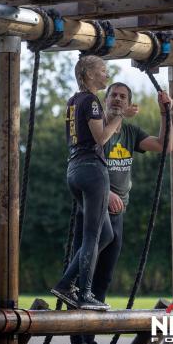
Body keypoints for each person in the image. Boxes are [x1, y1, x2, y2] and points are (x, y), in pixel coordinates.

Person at [65, 82, 173, 344]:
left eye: (123, 96)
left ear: (128, 103)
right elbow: (87, 161)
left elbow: (165, 146)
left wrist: (164, 113)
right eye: (113, 94)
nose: (117, 99)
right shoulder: (99, 127)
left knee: (103, 279)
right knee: (82, 276)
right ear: (105, 98)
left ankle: (89, 343)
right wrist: (107, 192)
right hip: (93, 207)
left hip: (118, 214)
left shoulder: (129, 132)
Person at [51, 57, 125, 311]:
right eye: (103, 71)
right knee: (93, 236)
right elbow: (101, 137)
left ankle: (65, 284)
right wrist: (119, 118)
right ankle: (85, 294)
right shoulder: (91, 100)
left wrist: (111, 116)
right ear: (89, 74)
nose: (106, 75)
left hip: (74, 169)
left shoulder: (73, 101)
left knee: (105, 234)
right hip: (92, 170)